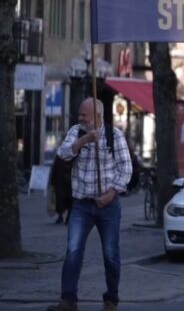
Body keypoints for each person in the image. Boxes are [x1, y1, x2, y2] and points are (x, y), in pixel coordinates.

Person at [48, 98, 132, 311]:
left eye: (84, 115)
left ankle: (111, 299)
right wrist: (84, 140)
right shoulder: (76, 132)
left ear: (98, 116)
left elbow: (126, 169)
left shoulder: (115, 135)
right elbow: (63, 154)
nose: (80, 118)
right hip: (82, 205)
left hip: (108, 205)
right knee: (73, 251)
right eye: (79, 114)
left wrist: (111, 194)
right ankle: (68, 300)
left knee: (111, 254)